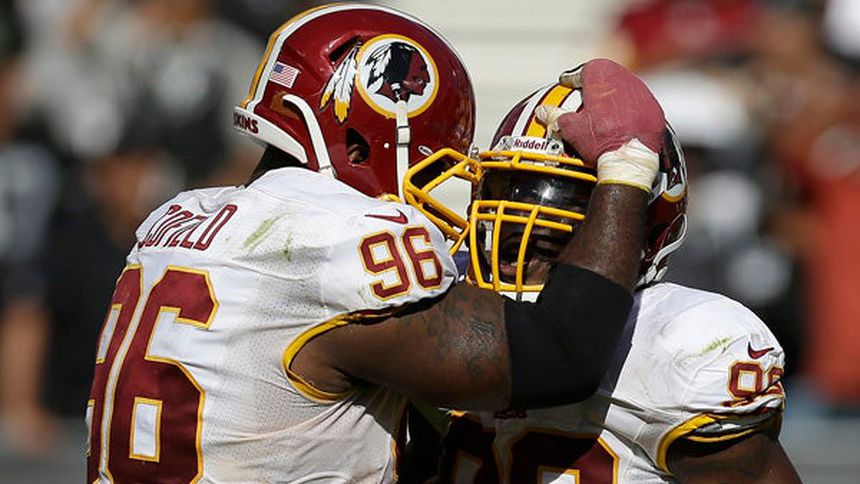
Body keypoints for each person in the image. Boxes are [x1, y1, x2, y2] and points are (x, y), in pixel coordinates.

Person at [85, 5, 666, 483]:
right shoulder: (336, 239)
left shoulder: (176, 220)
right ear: (360, 144)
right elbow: (559, 354)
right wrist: (626, 168)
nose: (426, 191)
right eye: (428, 162)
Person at [419, 74, 801, 483]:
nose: (519, 227)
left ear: (647, 231)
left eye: (562, 202)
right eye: (507, 190)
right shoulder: (442, 290)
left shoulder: (678, 343)